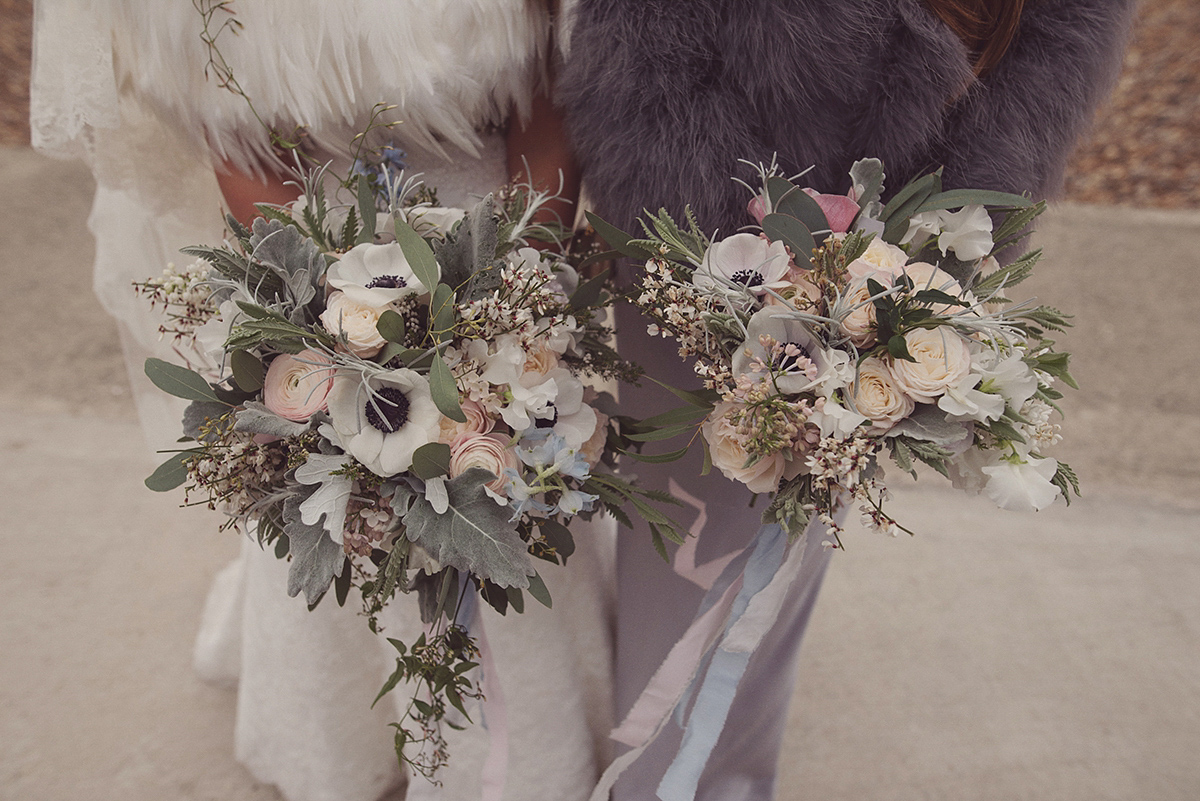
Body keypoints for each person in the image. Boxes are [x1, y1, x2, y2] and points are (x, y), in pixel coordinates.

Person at [30, 2, 614, 800]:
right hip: (314, 246)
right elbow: (230, 129)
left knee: (514, 489)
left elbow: (551, 87)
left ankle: (527, 747)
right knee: (338, 498)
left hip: (497, 227)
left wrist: (508, 303)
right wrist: (339, 325)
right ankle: (348, 735)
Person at [556, 1, 1136, 798]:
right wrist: (731, 265)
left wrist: (933, 249)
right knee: (694, 555)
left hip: (904, 207)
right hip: (695, 219)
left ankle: (715, 779)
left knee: (773, 562)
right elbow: (641, 46)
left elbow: (1058, 38)